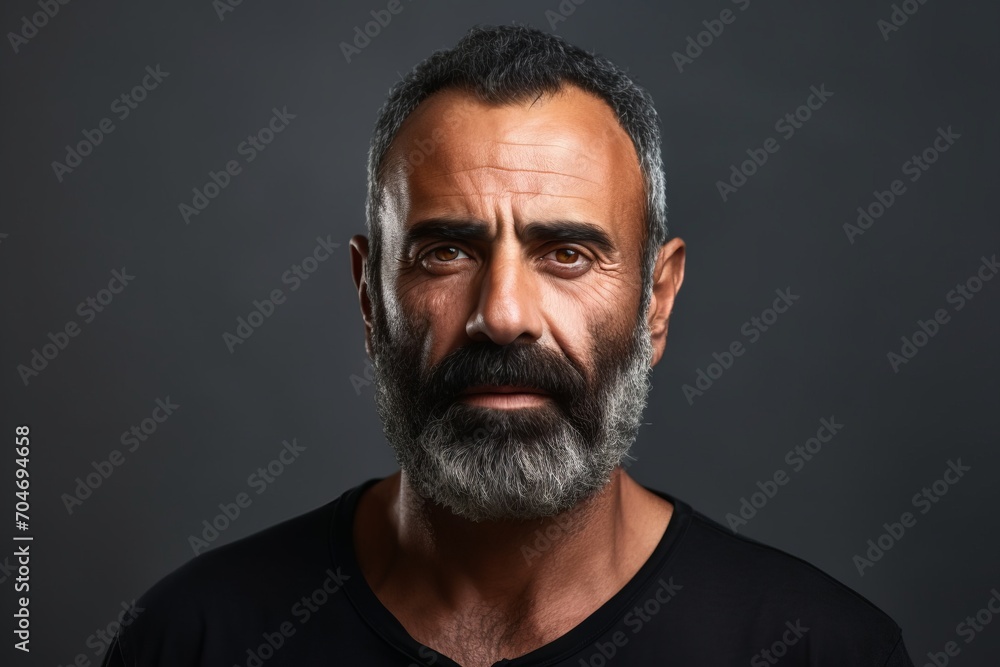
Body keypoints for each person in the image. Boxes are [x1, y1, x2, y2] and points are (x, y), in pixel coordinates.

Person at [102, 24, 915, 667]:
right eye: (446, 251)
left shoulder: (818, 650)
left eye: (567, 253)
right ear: (369, 295)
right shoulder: (192, 639)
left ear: (655, 301)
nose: (503, 313)